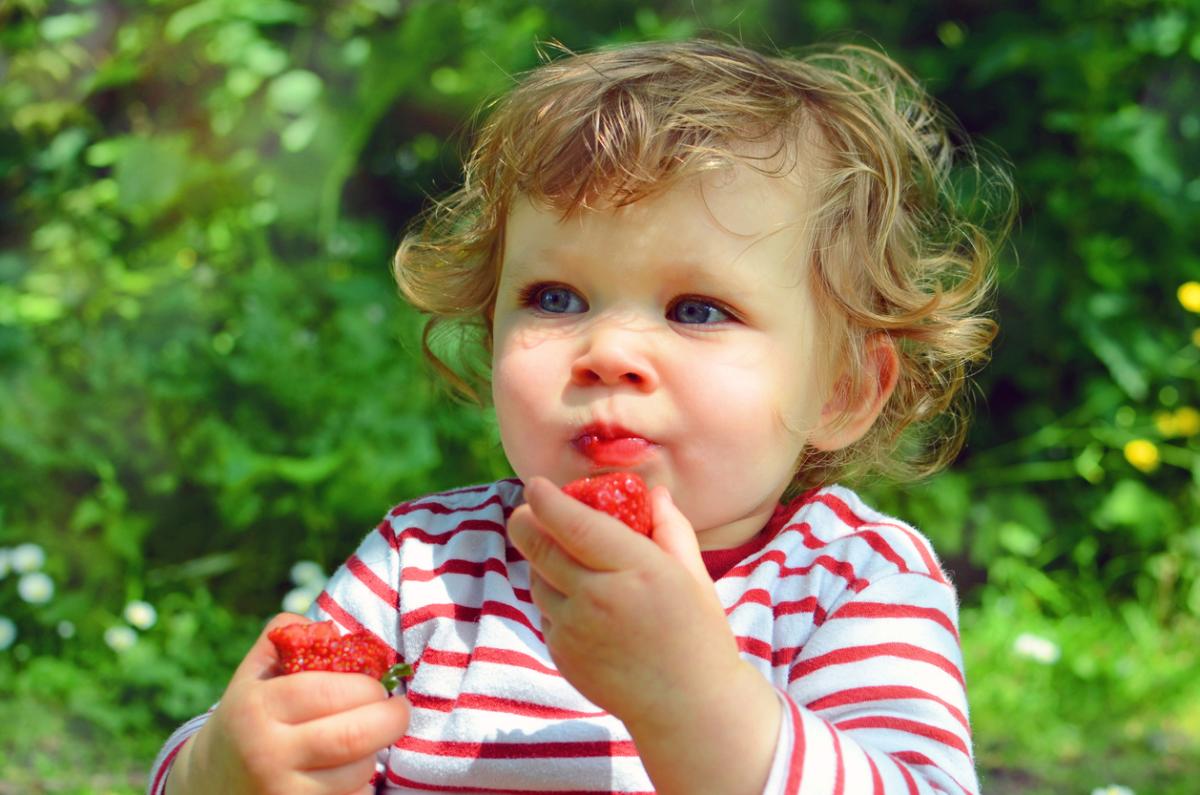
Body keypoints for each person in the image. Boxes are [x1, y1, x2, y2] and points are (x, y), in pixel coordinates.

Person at [150, 37, 1011, 795]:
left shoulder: (848, 581)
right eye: (555, 297)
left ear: (843, 390)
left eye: (698, 309)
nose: (608, 350)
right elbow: (267, 750)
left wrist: (695, 700)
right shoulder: (427, 568)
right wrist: (223, 767)